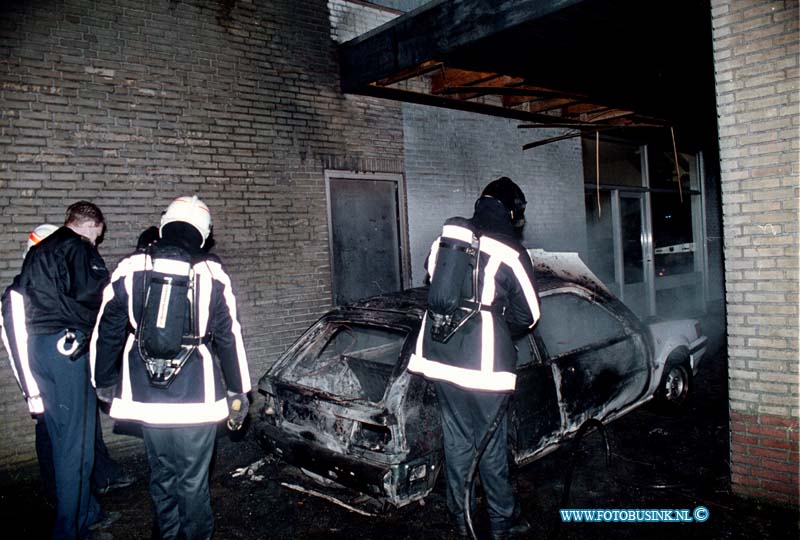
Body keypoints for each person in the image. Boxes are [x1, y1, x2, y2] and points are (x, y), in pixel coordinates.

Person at [91, 195, 251, 540]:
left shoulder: (129, 267)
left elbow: (106, 329)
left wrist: (103, 382)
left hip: (145, 394)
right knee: (193, 479)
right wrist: (239, 391)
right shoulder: (212, 272)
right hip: (199, 395)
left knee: (162, 472)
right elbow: (229, 337)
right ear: (203, 233)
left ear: (165, 225)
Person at [407, 177, 541, 540]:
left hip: (437, 355)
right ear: (510, 210)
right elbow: (528, 314)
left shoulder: (444, 243)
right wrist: (497, 330)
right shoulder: (510, 252)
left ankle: (460, 517)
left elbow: (435, 283)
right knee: (491, 444)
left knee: (457, 440)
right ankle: (502, 523)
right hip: (483, 366)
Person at [1, 224, 135, 510]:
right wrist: (34, 397)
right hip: (45, 386)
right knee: (62, 449)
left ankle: (87, 503)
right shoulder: (19, 293)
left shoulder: (49, 291)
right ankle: (69, 513)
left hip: (61, 374)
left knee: (78, 442)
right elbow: (17, 349)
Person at [13, 204, 118, 539]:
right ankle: (70, 531)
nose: (97, 241)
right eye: (98, 235)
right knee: (78, 445)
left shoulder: (39, 251)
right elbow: (95, 294)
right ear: (92, 225)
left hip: (40, 348)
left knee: (62, 440)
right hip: (68, 349)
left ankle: (86, 512)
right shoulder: (78, 246)